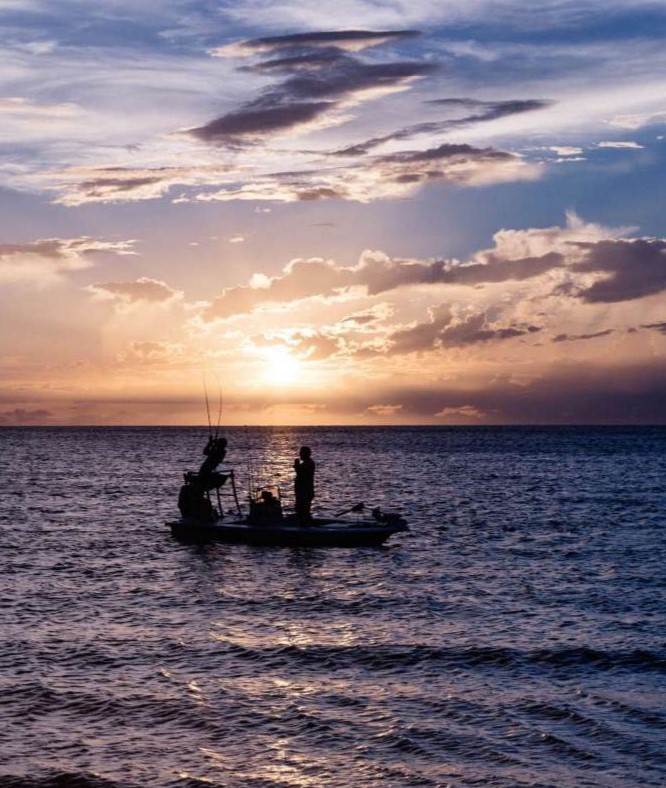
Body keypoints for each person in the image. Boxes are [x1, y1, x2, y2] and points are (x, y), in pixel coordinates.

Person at [293, 445, 315, 525]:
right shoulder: (307, 463)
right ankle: (304, 524)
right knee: (301, 510)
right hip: (302, 492)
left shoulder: (309, 463)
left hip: (305, 492)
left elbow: (301, 473)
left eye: (301, 453)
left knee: (303, 511)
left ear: (306, 454)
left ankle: (305, 526)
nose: (300, 455)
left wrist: (296, 465)